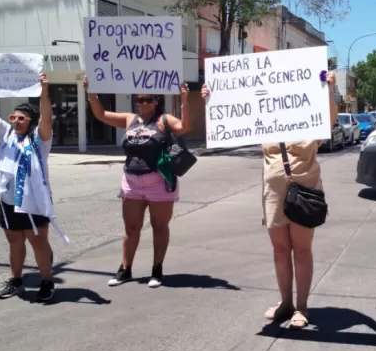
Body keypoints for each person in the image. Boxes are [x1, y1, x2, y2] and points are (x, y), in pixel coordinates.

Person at [201, 71, 338, 329]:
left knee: (302, 250)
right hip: (273, 194)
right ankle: (285, 302)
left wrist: (329, 89)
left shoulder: (310, 122)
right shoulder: (265, 121)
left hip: (304, 192)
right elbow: (231, 120)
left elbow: (330, 118)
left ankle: (302, 306)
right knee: (280, 250)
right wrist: (212, 100)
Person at [84, 78, 192, 288]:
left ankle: (157, 270)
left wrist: (185, 100)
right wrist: (91, 93)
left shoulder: (163, 120)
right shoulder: (129, 119)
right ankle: (125, 269)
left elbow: (185, 127)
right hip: (131, 181)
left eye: (146, 99)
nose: (141, 103)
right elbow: (101, 114)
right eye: (138, 99)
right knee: (131, 227)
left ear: (155, 101)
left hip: (158, 181)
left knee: (159, 226)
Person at [0, 72, 63, 302]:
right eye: (13, 117)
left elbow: (46, 116)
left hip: (34, 200)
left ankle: (47, 281)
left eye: (21, 119)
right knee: (15, 240)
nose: (16, 122)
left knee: (38, 242)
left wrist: (44, 91)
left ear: (31, 121)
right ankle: (16, 281)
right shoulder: (6, 134)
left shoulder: (40, 138)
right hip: (8, 200)